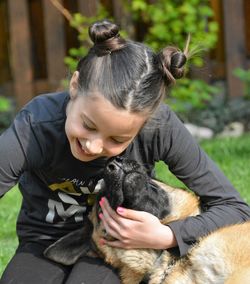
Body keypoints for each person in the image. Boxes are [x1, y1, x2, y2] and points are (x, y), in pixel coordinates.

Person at [0, 19, 249, 284]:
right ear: (74, 85)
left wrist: (168, 236)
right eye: (88, 125)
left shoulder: (160, 126)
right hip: (46, 240)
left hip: (126, 245)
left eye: (117, 139)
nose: (94, 146)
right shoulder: (36, 126)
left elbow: (234, 207)